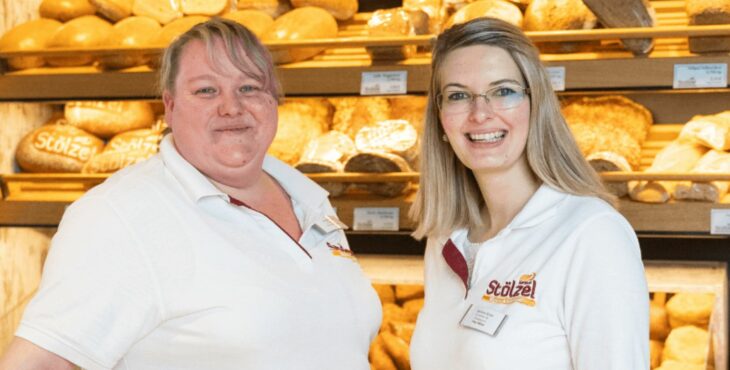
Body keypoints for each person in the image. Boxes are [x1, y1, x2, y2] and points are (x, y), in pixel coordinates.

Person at [0, 18, 380, 370]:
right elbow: (38, 363)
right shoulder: (119, 215)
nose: (231, 107)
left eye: (249, 87)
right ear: (169, 105)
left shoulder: (307, 197)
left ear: (274, 101)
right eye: (206, 90)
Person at [408, 17, 649, 370]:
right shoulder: (446, 238)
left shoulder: (591, 234)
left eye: (503, 91)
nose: (480, 114)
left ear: (536, 106)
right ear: (441, 120)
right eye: (459, 95)